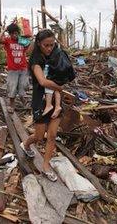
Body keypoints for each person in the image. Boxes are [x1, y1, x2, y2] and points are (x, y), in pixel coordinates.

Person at [20, 29, 69, 182]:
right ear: (39, 44)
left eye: (52, 45)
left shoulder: (57, 55)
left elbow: (65, 70)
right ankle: (26, 145)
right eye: (45, 45)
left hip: (55, 100)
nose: (49, 48)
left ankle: (46, 166)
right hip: (40, 100)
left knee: (52, 136)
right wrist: (60, 86)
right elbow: (42, 81)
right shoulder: (35, 60)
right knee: (39, 136)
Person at [0, 23, 29, 113]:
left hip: (23, 68)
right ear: (10, 34)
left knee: (23, 85)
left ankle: (22, 98)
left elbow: (29, 45)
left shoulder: (22, 41)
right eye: (13, 34)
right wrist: (4, 30)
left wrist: (28, 38)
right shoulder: (8, 41)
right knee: (12, 87)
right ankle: (12, 105)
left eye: (16, 33)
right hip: (13, 69)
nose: (15, 35)